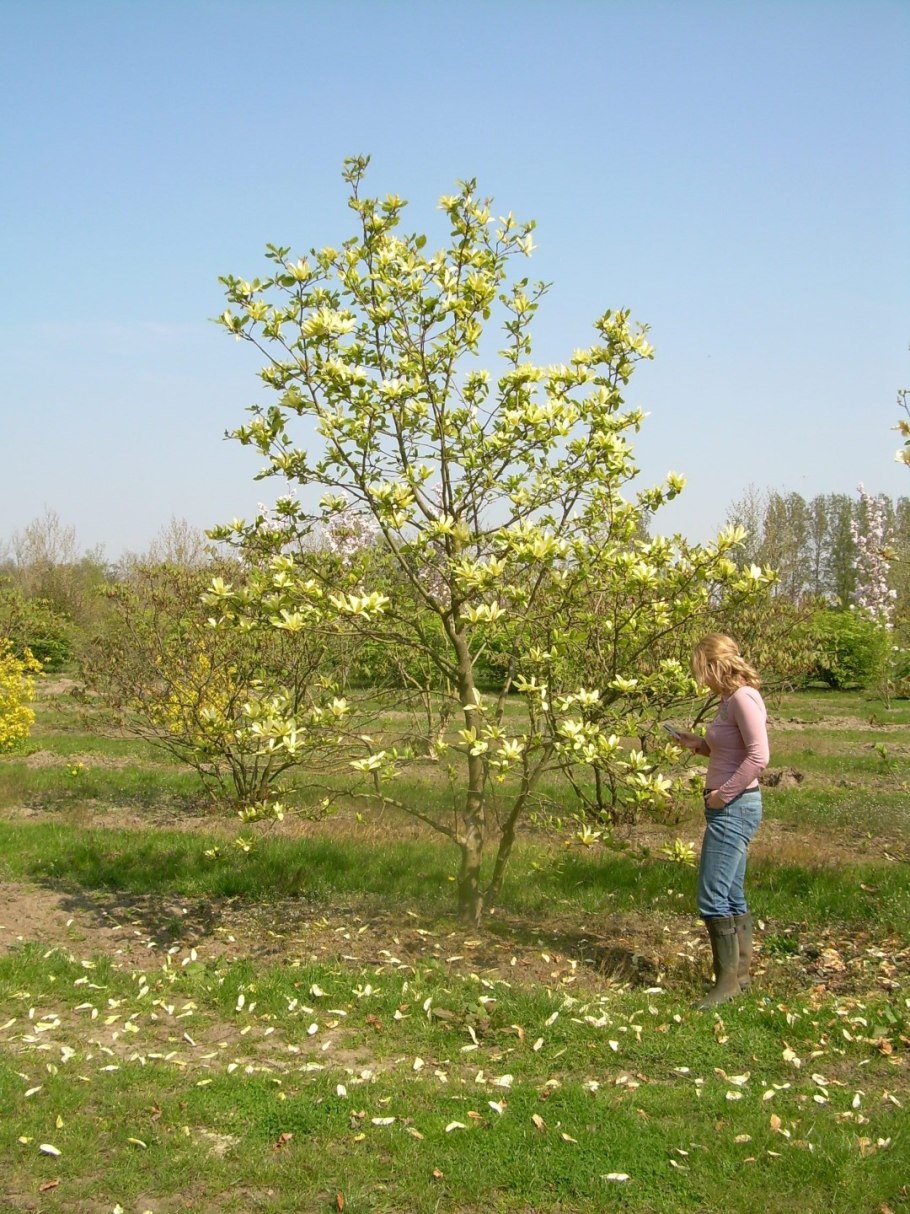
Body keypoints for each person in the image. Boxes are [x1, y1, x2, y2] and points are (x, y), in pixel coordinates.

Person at [673, 634, 769, 1010]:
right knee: (730, 893)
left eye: (702, 671)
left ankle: (726, 983)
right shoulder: (729, 700)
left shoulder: (742, 697)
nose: (701, 681)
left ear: (715, 665)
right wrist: (697, 744)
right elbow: (732, 748)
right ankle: (740, 978)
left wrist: (721, 795)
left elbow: (759, 756)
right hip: (730, 805)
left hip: (734, 806)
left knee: (711, 896)